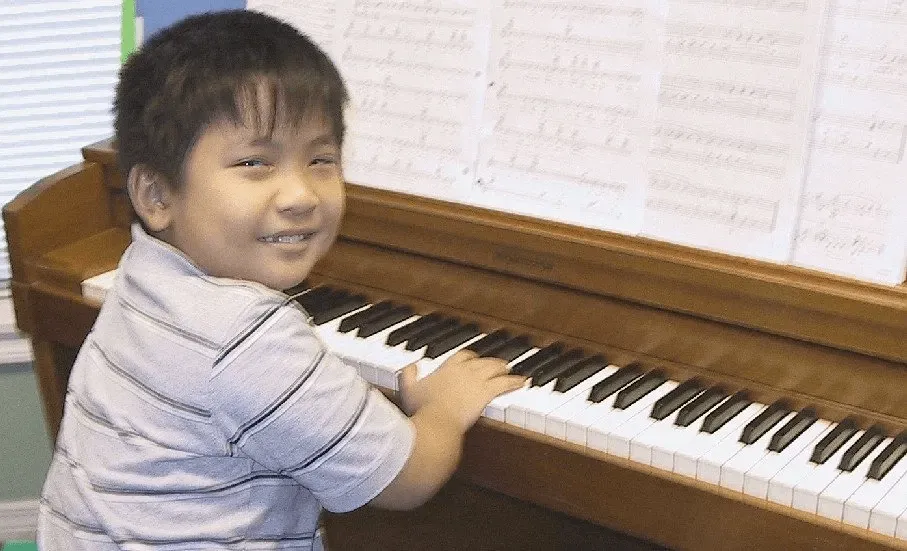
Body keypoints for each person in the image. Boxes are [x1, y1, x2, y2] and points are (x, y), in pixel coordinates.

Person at [37, 10, 525, 550]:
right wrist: (443, 410)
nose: (301, 195)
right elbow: (407, 480)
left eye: (321, 159)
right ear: (156, 196)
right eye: (254, 163)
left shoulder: (148, 275)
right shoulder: (245, 339)